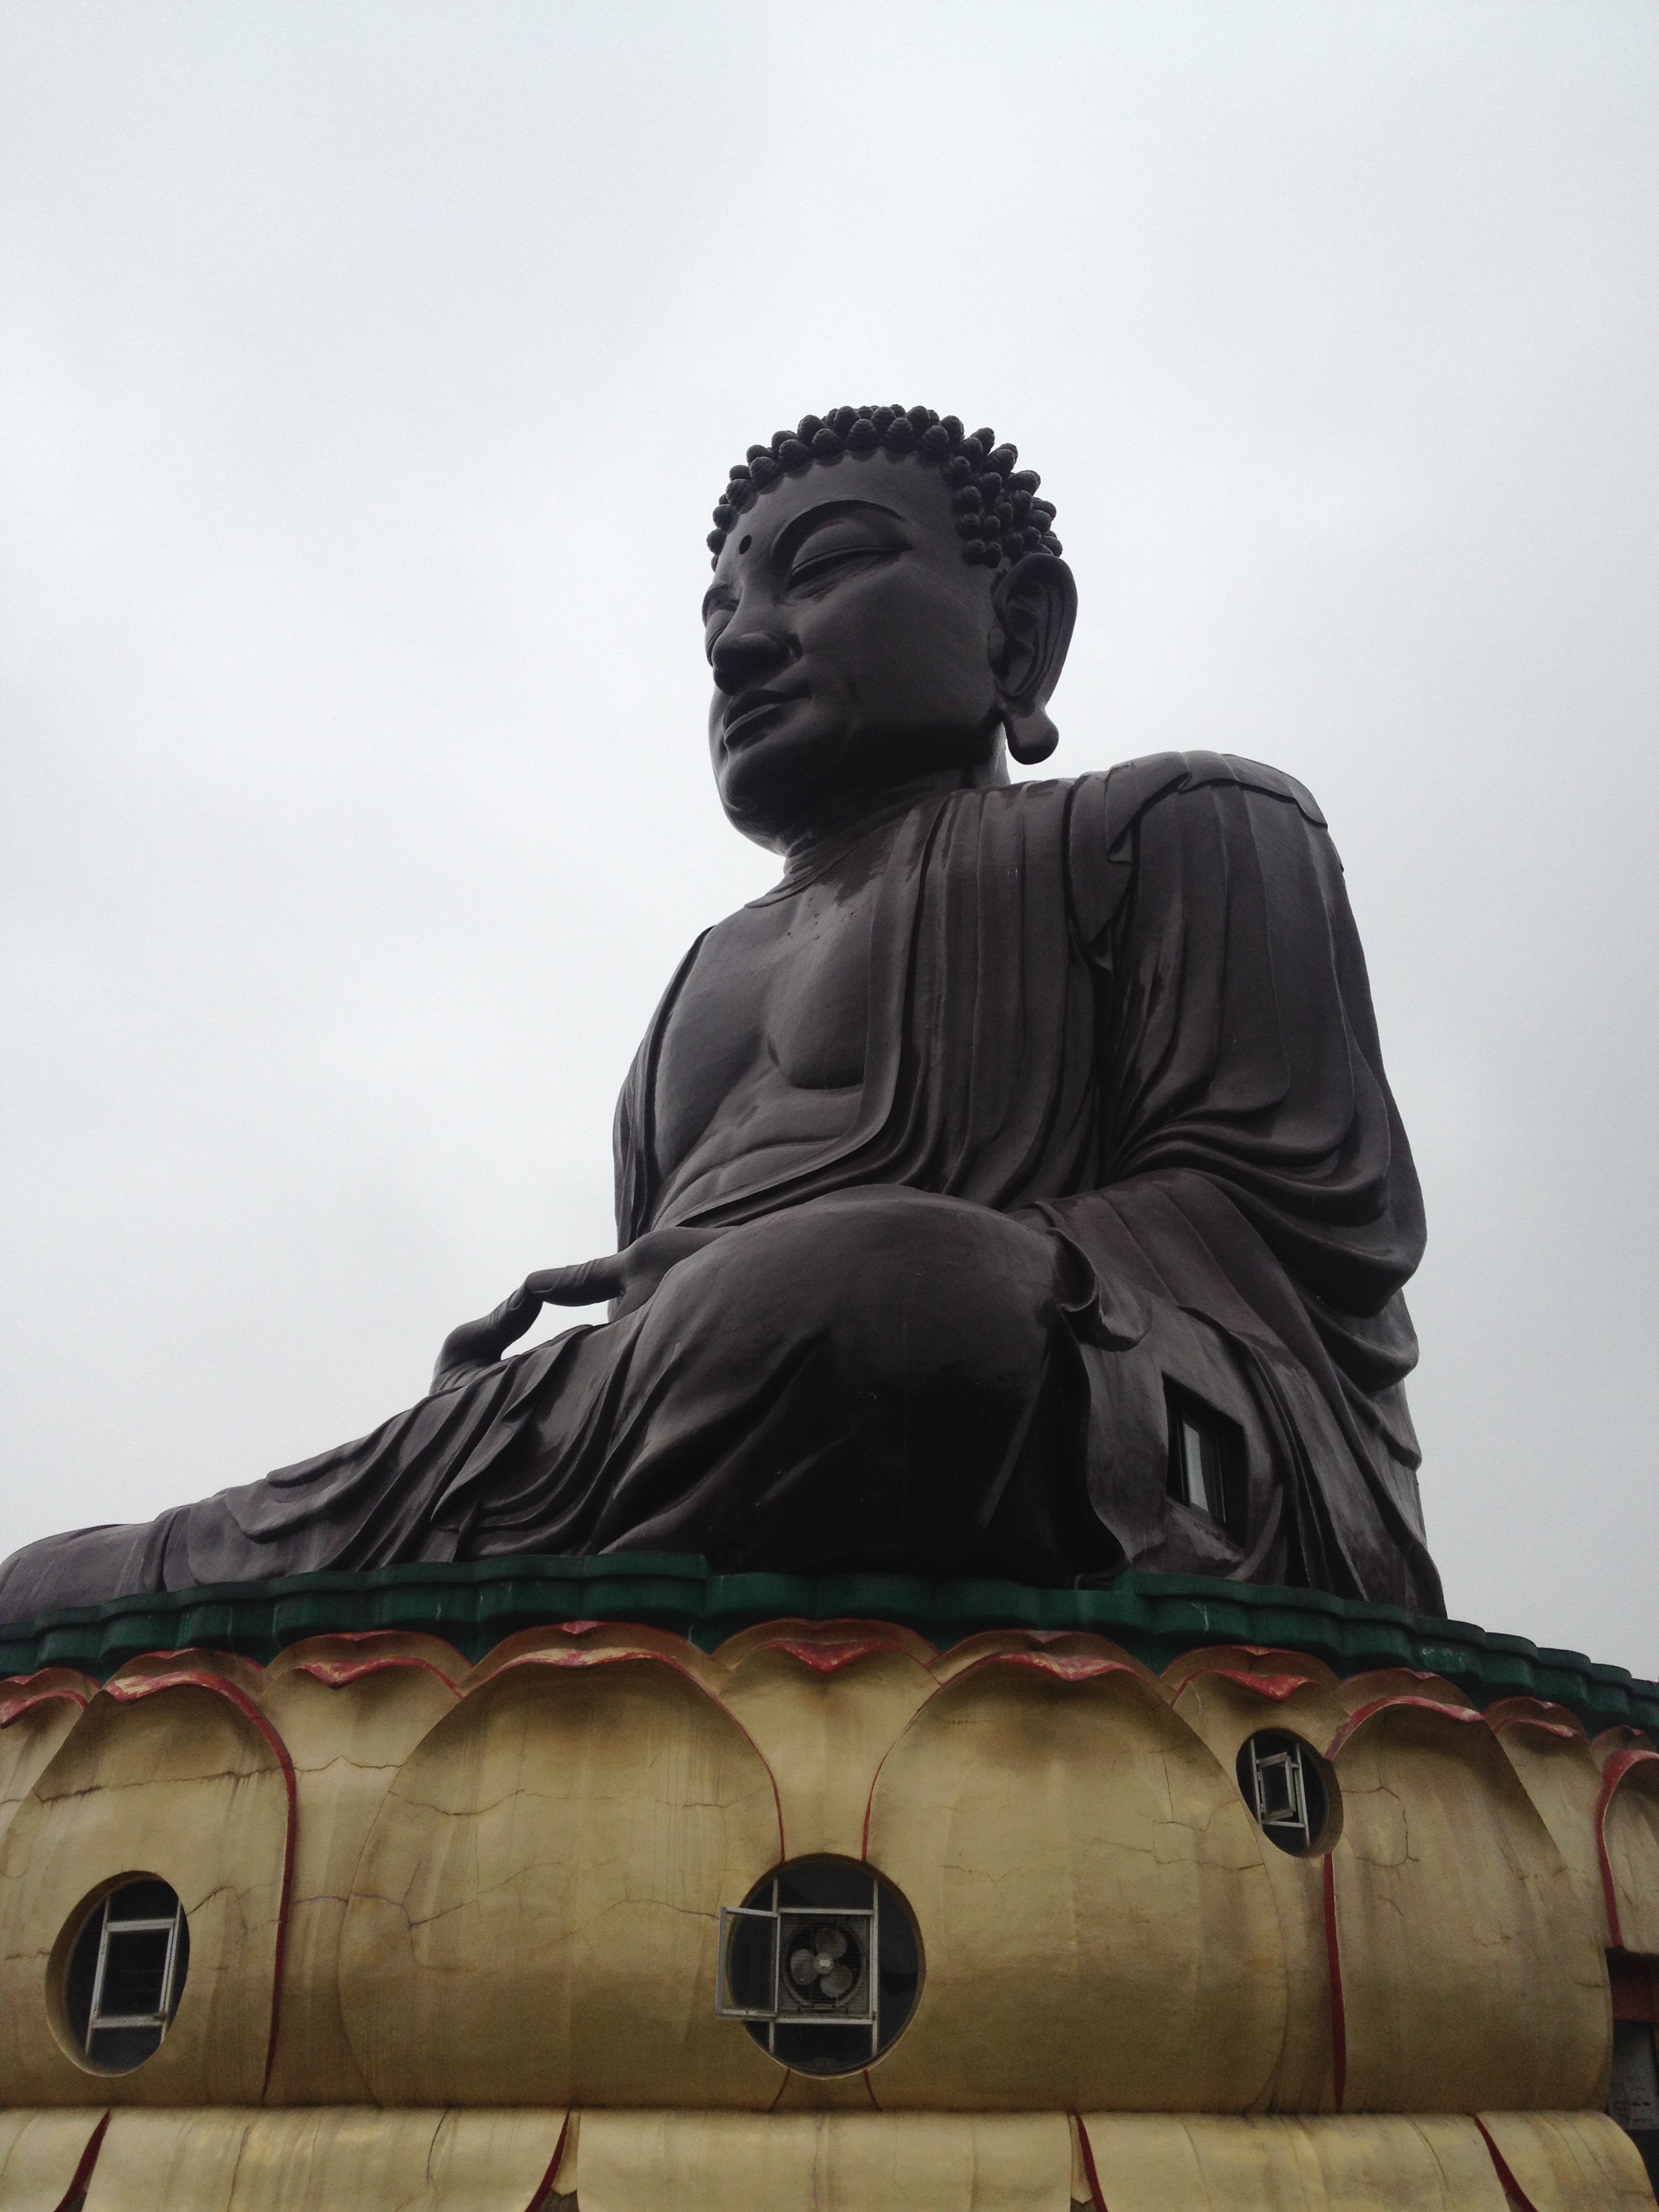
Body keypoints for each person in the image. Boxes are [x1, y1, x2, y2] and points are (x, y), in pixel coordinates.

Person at [0, 406, 1443, 1622]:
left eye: (823, 573)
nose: (740, 647)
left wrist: (816, 1287)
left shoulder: (1180, 821)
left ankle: (502, 1604)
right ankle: (498, 1564)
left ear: (1020, 638)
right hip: (720, 1407)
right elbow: (663, 1333)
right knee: (58, 1590)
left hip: (1076, 1399)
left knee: (872, 1294)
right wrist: (543, 1398)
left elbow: (1295, 1229)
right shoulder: (704, 970)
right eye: (719, 613)